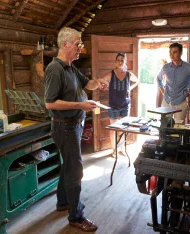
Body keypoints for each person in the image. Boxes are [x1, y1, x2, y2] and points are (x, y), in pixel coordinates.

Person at [44, 27, 107, 232]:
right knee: (75, 170)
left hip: (73, 126)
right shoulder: (55, 69)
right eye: (78, 44)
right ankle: (76, 216)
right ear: (65, 45)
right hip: (65, 127)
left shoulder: (71, 67)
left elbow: (88, 84)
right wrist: (81, 105)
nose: (81, 48)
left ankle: (62, 202)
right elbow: (50, 103)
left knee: (69, 165)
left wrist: (99, 84)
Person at [100, 52, 139, 156]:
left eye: (122, 60)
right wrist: (108, 86)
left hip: (125, 105)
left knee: (123, 128)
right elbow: (102, 81)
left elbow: (137, 81)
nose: (120, 62)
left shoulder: (128, 74)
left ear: (124, 61)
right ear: (115, 61)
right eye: (118, 60)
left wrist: (129, 89)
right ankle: (114, 150)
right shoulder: (111, 74)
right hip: (113, 105)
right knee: (113, 129)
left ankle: (122, 149)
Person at [157, 43, 190, 123]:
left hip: (181, 103)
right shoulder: (165, 67)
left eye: (175, 52)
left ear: (181, 53)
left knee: (177, 129)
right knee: (164, 127)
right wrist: (162, 91)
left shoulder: (189, 68)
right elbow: (158, 79)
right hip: (166, 102)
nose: (171, 55)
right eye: (170, 52)